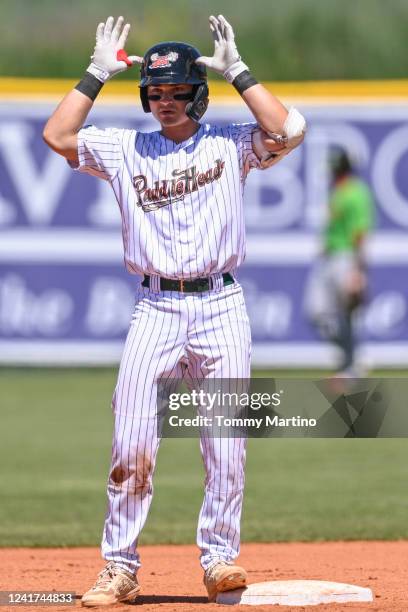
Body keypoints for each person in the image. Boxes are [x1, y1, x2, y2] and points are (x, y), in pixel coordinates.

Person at [43, 14, 306, 606]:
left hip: (220, 303)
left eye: (177, 91)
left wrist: (238, 70)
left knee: (225, 441)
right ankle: (119, 568)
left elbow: (289, 129)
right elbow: (58, 137)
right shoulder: (124, 146)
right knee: (132, 438)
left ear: (199, 94)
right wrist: (95, 72)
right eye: (156, 92)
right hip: (156, 305)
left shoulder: (232, 141)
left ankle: (219, 561)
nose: (165, 102)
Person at [304, 149, 375, 376]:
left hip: (346, 258)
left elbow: (360, 233)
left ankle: (352, 362)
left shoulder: (357, 192)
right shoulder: (338, 191)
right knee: (316, 312)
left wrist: (358, 268)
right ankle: (352, 354)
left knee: (346, 314)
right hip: (329, 257)